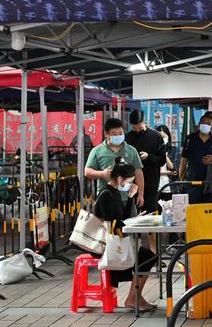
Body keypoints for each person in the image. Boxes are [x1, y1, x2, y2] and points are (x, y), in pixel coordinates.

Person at [92, 158, 156, 312]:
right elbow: (113, 224)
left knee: (150, 256)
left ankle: (135, 297)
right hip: (107, 244)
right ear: (120, 179)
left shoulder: (115, 192)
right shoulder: (106, 195)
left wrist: (131, 197)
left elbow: (123, 218)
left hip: (118, 240)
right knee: (148, 257)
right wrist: (134, 221)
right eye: (129, 181)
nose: (130, 184)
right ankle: (133, 298)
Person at [85, 118, 145, 208]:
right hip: (105, 198)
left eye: (121, 133)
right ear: (106, 134)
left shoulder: (131, 150)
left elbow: (138, 173)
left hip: (127, 198)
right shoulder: (97, 151)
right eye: (114, 134)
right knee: (106, 222)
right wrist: (101, 174)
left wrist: (140, 194)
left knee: (128, 221)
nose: (118, 136)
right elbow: (87, 172)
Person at [126, 110, 166, 216]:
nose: (137, 131)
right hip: (130, 183)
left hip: (150, 183)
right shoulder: (127, 137)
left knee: (150, 215)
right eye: (134, 128)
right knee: (130, 215)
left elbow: (162, 160)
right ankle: (133, 233)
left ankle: (151, 233)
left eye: (139, 128)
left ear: (145, 122)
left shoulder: (156, 137)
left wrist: (148, 157)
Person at [178, 114, 212, 204]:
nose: (205, 125)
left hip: (210, 183)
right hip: (193, 181)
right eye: (203, 122)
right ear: (199, 124)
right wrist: (180, 178)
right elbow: (184, 160)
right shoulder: (190, 139)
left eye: (208, 123)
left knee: (208, 210)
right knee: (193, 209)